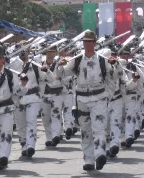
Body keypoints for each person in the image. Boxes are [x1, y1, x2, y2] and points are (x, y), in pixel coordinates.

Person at [57, 30, 121, 171]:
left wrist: (116, 65)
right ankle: (88, 160)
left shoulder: (103, 61)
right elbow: (61, 74)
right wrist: (59, 64)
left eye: (90, 41)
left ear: (94, 43)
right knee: (85, 131)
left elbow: (115, 77)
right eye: (85, 41)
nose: (87, 44)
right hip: (82, 100)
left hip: (99, 98)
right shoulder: (77, 60)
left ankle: (99, 156)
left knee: (98, 128)